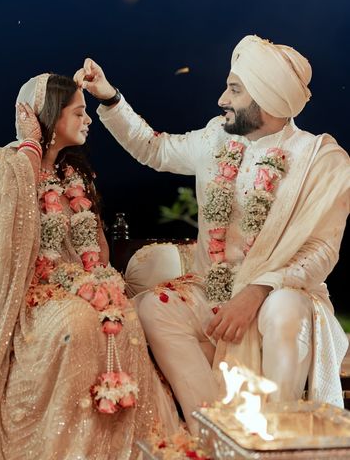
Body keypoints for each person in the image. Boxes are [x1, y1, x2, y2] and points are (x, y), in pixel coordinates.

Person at [74, 35, 350, 433]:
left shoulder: (321, 160)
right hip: (214, 289)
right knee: (154, 307)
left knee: (284, 312)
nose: (222, 98)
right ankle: (215, 432)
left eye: (235, 89)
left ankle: (275, 438)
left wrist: (257, 292)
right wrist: (111, 99)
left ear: (268, 99)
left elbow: (321, 250)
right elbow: (155, 149)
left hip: (282, 293)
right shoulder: (215, 139)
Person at [0, 73, 179, 459]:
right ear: (50, 115)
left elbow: (97, 255)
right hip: (23, 295)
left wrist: (89, 213)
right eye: (79, 111)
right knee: (74, 324)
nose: (88, 119)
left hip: (75, 286)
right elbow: (11, 240)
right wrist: (31, 144)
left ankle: (116, 446)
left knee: (124, 315)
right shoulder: (3, 163)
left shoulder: (73, 175)